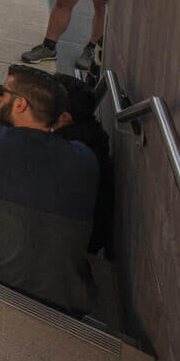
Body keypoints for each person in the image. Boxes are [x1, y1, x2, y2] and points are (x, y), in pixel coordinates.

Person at [0, 66, 98, 313]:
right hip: (70, 296)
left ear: (20, 105)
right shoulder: (85, 157)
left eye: (2, 92)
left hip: (0, 277)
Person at [54, 74, 115, 258]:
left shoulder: (66, 149)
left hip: (74, 245)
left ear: (64, 117)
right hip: (88, 237)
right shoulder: (91, 135)